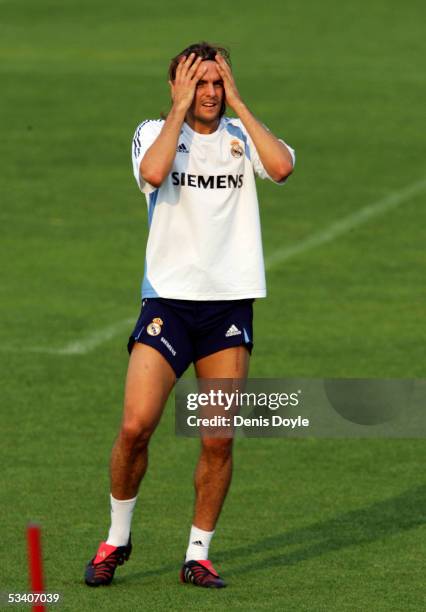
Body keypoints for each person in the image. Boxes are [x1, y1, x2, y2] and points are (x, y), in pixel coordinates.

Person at [84, 41, 295, 589]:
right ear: (176, 86)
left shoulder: (242, 135)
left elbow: (282, 167)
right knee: (135, 427)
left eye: (216, 83)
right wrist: (177, 111)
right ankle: (116, 539)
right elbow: (153, 175)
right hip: (168, 304)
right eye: (197, 83)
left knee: (217, 439)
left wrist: (242, 105)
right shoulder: (153, 132)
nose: (208, 93)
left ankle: (197, 555)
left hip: (227, 305)